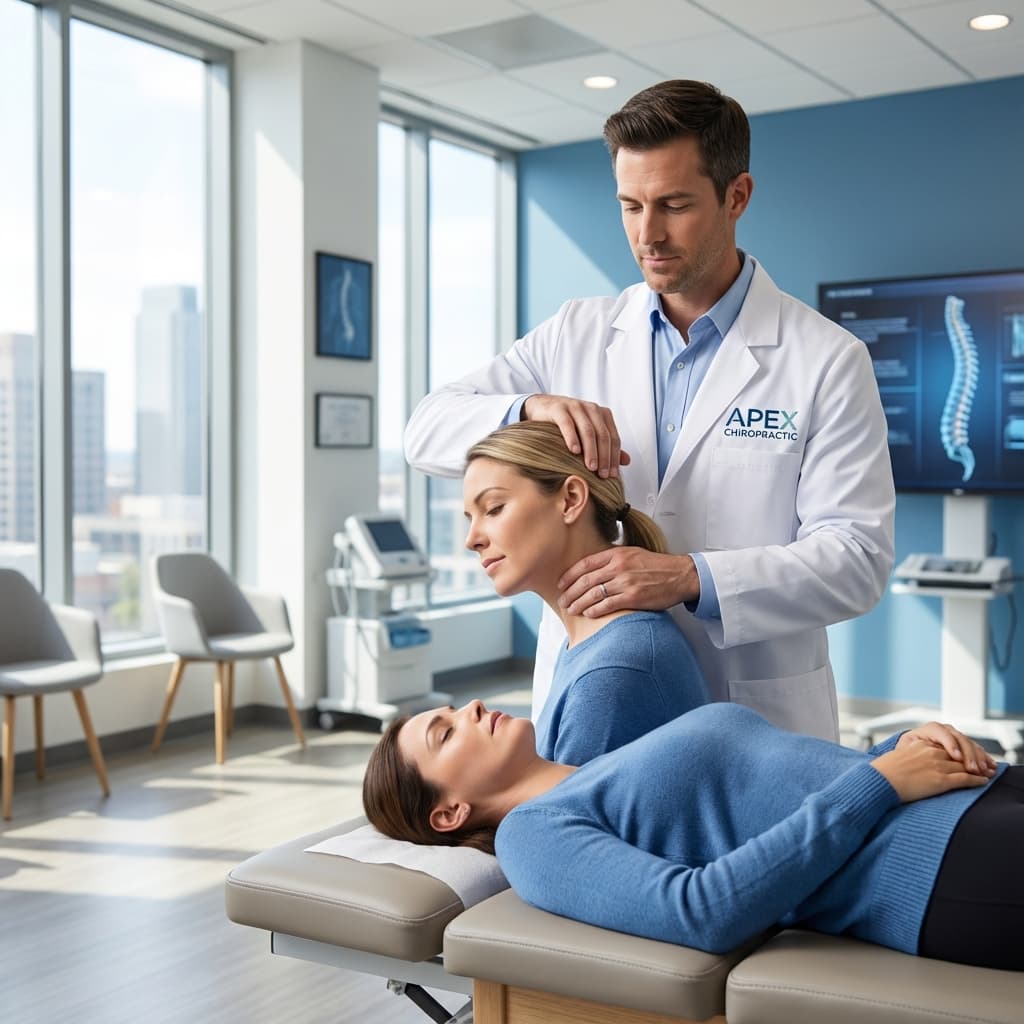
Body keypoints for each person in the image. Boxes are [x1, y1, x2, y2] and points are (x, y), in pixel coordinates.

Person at [403, 80, 895, 742]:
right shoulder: (575, 334)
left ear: (737, 196)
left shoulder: (826, 359)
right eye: (630, 206)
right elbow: (426, 430)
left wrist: (689, 577)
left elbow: (856, 560)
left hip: (754, 717)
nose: (647, 234)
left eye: (674, 205)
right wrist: (529, 407)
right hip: (597, 699)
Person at [363, 700, 1024, 972]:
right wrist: (879, 782)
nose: (472, 709)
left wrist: (902, 747)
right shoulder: (532, 837)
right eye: (446, 732)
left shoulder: (598, 767)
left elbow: (787, 781)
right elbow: (702, 912)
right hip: (933, 865)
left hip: (969, 796)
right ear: (449, 813)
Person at [463, 420, 707, 765]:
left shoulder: (611, 672)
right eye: (469, 518)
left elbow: (567, 801)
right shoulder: (588, 644)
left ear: (571, 500)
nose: (471, 539)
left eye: (493, 509)